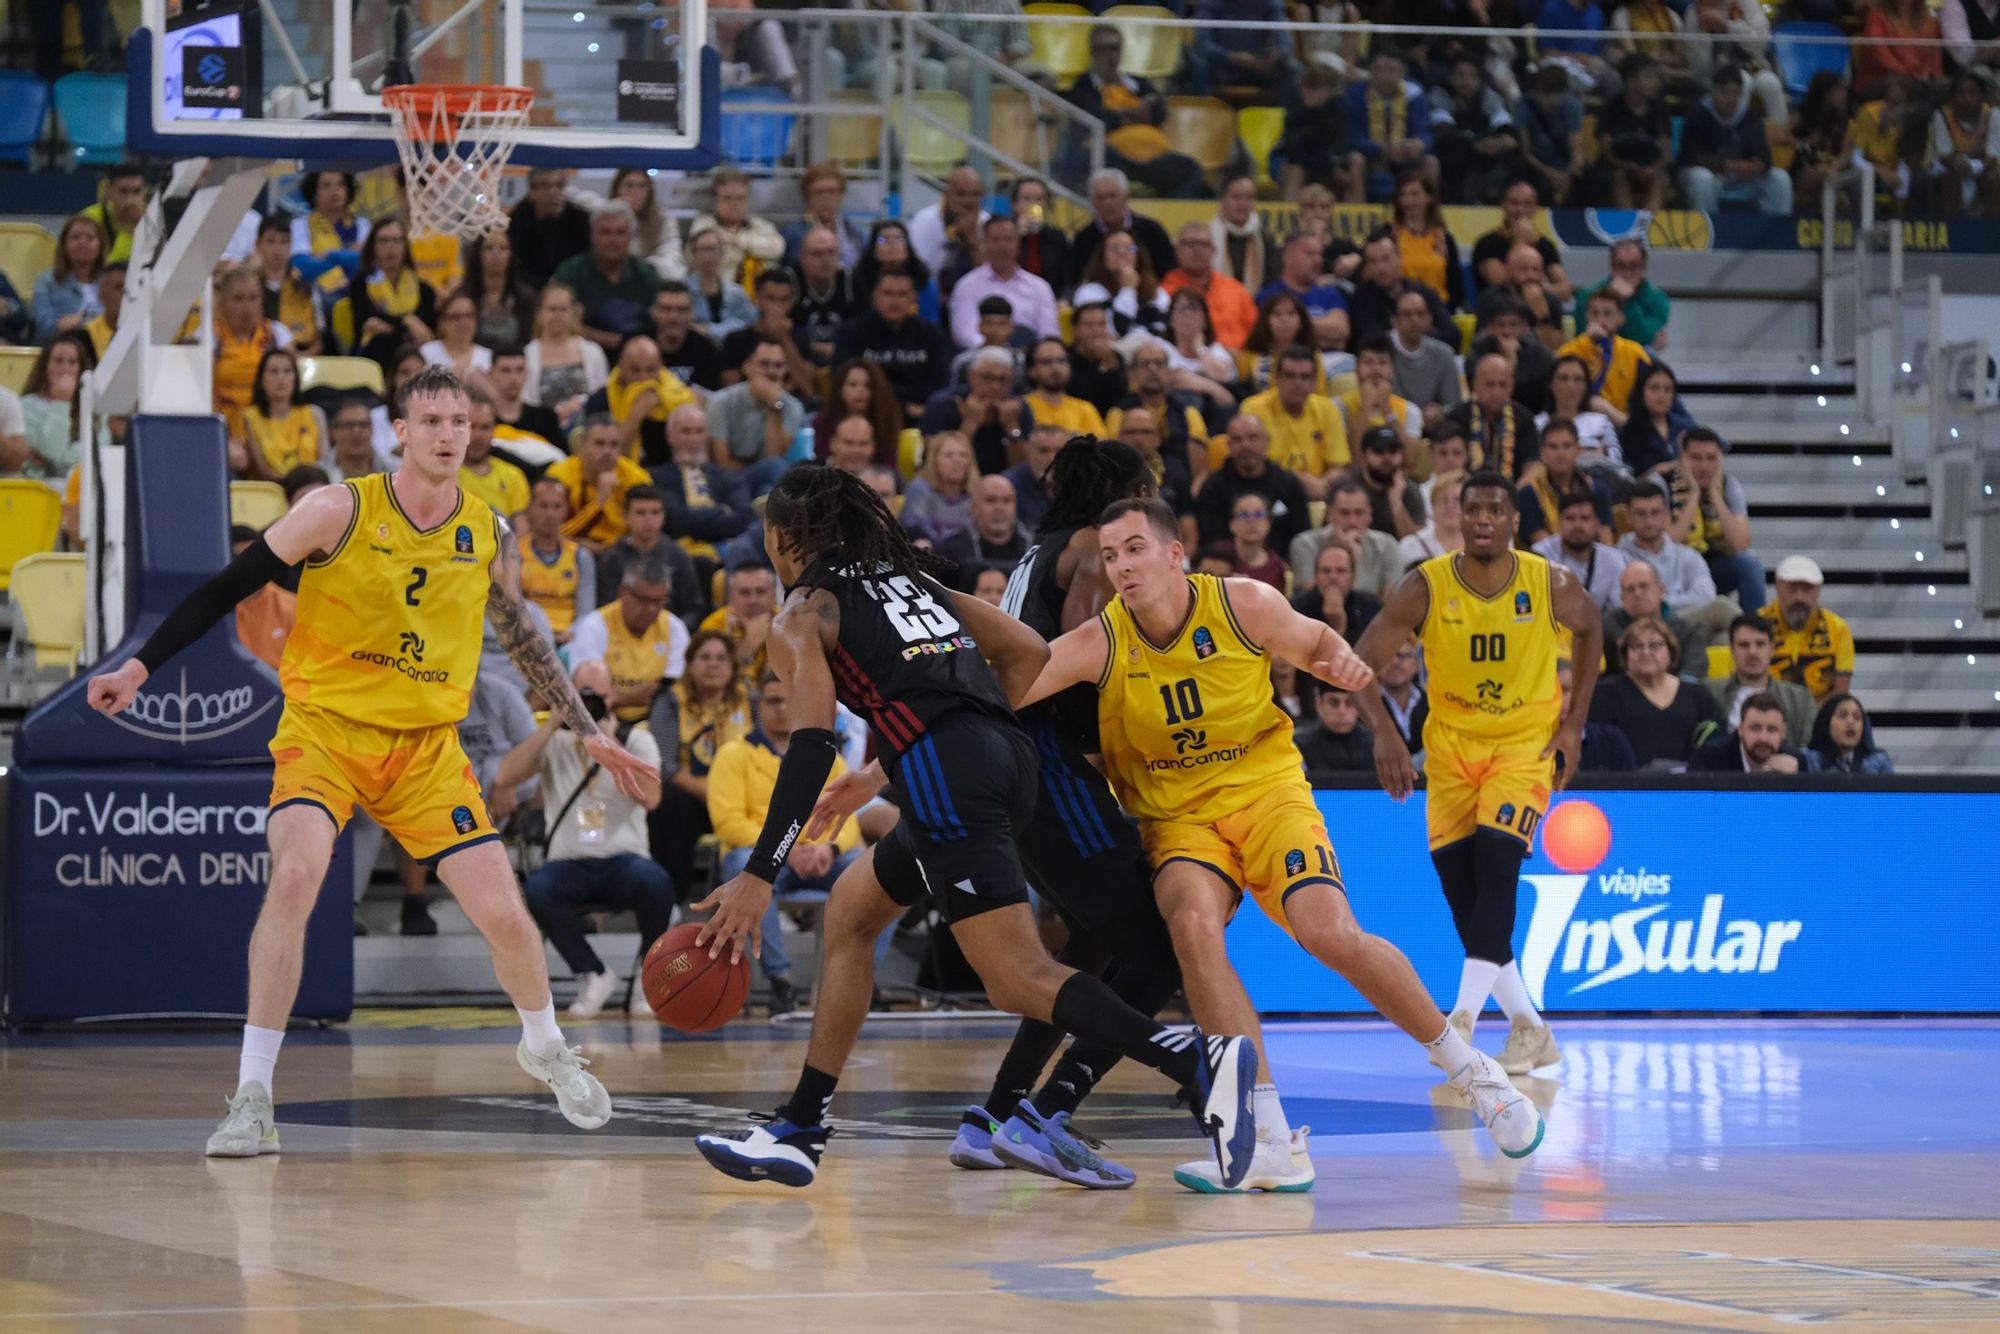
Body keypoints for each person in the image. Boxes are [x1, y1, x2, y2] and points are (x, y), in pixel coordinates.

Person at [87, 366, 655, 1153]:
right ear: (401, 431)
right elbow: (227, 587)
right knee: (295, 876)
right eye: (432, 421)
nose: (449, 434)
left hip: (424, 750)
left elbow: (522, 631)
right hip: (325, 732)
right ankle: (253, 1095)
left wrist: (585, 724)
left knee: (504, 916)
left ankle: (546, 1046)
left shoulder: (489, 531)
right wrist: (139, 667)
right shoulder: (336, 510)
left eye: (460, 421)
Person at [691, 465, 1262, 1192]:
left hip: (948, 778)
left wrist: (757, 875)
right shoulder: (910, 582)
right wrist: (962, 736)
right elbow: (1025, 650)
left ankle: (1196, 1061)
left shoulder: (802, 613)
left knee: (1017, 975)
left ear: (780, 538)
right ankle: (801, 1127)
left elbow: (809, 746)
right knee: (853, 914)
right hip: (1007, 762)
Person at [1021, 495, 1545, 1190]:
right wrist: (886, 763)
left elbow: (1317, 642)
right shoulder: (1100, 639)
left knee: (1330, 934)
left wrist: (1342, 665)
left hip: (1269, 794)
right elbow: (1001, 695)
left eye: (1135, 549)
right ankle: (1268, 1137)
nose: (1121, 567)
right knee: (1190, 925)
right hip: (1179, 820)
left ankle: (1471, 1072)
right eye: (1111, 555)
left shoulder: (1243, 603)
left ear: (1175, 554)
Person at [1353, 471, 1603, 1075]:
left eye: (1497, 508)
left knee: (1498, 870)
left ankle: (1457, 1023)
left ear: (1515, 520)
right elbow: (1356, 662)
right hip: (1449, 755)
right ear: (1458, 520)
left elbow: (1593, 627)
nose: (1485, 518)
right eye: (1474, 510)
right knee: (1467, 902)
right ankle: (1530, 1029)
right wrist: (1386, 731)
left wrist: (1573, 724)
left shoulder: (1549, 582)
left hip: (1523, 749)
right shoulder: (1425, 586)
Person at [710, 671, 873, 1018]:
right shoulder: (732, 754)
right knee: (742, 863)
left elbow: (849, 818)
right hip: (766, 858)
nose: (783, 708)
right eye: (773, 701)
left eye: (789, 700)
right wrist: (785, 851)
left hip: (818, 857)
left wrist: (829, 849)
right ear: (759, 706)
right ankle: (780, 981)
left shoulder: (827, 755)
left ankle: (855, 980)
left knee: (876, 869)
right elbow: (728, 823)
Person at [503, 690, 672, 1019]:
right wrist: (553, 722)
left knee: (658, 884)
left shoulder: (637, 741)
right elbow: (504, 776)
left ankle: (645, 976)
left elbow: (651, 798)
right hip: (568, 863)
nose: (587, 709)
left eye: (595, 700)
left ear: (613, 700)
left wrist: (609, 745)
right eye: (579, 699)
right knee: (537, 889)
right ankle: (593, 973)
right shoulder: (555, 742)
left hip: (625, 859)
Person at [1063, 25, 1210, 200]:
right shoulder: (1083, 86)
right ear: (1092, 52)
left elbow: (1158, 112)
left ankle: (1168, 212)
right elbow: (1093, 120)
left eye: (1114, 47)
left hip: (1154, 158)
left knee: (1190, 168)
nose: (1109, 54)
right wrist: (1133, 113)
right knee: (1091, 156)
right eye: (1101, 48)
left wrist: (1120, 115)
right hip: (1115, 158)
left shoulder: (1138, 82)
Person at [1589, 616, 1725, 766]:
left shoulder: (1698, 695)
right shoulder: (1606, 694)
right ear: (1625, 655)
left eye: (1654, 645)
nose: (1646, 652)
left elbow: (1718, 741)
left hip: (1688, 784)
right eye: (1636, 646)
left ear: (1670, 652)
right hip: (1627, 785)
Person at [570, 556, 690, 724]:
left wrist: (616, 695)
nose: (651, 609)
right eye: (643, 600)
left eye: (658, 601)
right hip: (605, 719)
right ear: (622, 592)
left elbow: (672, 689)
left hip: (656, 720)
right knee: (593, 672)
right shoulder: (595, 625)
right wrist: (625, 698)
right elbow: (589, 698)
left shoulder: (674, 628)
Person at [1618, 480, 1734, 644]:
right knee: (1722, 608)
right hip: (1636, 627)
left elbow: (1706, 595)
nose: (1649, 520)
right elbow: (1620, 603)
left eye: (1655, 513)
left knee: (1723, 639)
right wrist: (1675, 601)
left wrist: (1658, 602)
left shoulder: (1688, 556)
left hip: (1684, 625)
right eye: (1641, 514)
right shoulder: (1616, 558)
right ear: (1628, 516)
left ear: (1666, 515)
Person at [834, 270, 953, 423]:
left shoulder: (932, 335)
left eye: (902, 294)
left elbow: (939, 385)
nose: (894, 301)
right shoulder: (852, 332)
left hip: (920, 418)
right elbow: (842, 380)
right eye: (888, 293)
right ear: (874, 297)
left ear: (913, 298)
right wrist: (903, 405)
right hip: (865, 415)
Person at [1677, 64, 1794, 216]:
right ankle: (1708, 233)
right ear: (1713, 92)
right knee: (1702, 178)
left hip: (1741, 178)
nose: (1730, 99)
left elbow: (1765, 156)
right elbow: (1690, 156)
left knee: (1779, 178)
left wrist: (1758, 166)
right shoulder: (1697, 114)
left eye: (1736, 93)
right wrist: (1728, 165)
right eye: (1724, 93)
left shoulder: (1750, 117)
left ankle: (1774, 236)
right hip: (1708, 174)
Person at [552, 203, 665, 353]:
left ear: (630, 237)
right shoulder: (570, 272)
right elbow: (562, 323)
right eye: (605, 232)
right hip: (582, 354)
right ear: (592, 235)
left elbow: (662, 319)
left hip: (640, 355)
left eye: (620, 233)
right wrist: (614, 341)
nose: (613, 239)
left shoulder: (647, 274)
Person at [1197, 414, 1313, 555]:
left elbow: (1302, 536)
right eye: (1237, 440)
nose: (1245, 445)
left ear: (1266, 441)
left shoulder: (1288, 483)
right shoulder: (1213, 488)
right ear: (1229, 445)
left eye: (1253, 437)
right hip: (1230, 568)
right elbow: (1210, 541)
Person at [1242, 347, 1349, 497]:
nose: (1297, 383)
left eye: (1305, 377)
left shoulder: (1328, 409)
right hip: (1269, 493)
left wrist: (1322, 485)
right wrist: (1300, 481)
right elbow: (1255, 462)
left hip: (1320, 494)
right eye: (1290, 376)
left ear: (1314, 382)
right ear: (1277, 379)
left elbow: (1339, 466)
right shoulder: (1253, 409)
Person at [705, 336, 805, 499]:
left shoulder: (792, 407)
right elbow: (721, 462)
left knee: (766, 488)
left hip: (762, 476)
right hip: (722, 479)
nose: (772, 372)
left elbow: (773, 456)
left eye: (778, 366)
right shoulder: (722, 401)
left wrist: (774, 407)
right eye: (764, 364)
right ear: (747, 368)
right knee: (773, 474)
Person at [1676, 427, 1764, 606]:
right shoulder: (1663, 481)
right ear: (1682, 458)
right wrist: (1694, 493)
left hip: (1715, 566)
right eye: (1696, 458)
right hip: (1676, 569)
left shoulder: (1728, 485)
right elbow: (1669, 542)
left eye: (1711, 458)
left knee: (1750, 565)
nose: (1704, 466)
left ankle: (1754, 630)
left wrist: (1715, 495)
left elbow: (1740, 544)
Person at [583, 334, 696, 469]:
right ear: (621, 368)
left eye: (651, 370)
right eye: (635, 370)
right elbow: (605, 460)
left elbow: (691, 453)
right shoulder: (601, 400)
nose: (644, 378)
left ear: (661, 368)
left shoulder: (678, 397)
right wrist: (634, 417)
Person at [545, 414, 654, 553]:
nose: (607, 452)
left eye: (614, 445)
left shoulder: (636, 477)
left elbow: (646, 530)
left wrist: (604, 549)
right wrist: (600, 501)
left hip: (621, 553)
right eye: (599, 444)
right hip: (571, 553)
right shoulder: (560, 476)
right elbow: (550, 535)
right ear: (583, 445)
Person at [947, 216, 1059, 353]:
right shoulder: (966, 286)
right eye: (995, 240)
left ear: (1018, 244)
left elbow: (1049, 332)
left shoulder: (1040, 287)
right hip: (981, 357)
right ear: (984, 244)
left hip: (1029, 357)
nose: (1002, 246)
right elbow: (964, 334)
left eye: (1008, 239)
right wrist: (997, 350)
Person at [1708, 614, 1818, 746]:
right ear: (1732, 650)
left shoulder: (1800, 699)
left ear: (1772, 649)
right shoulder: (1709, 693)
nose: (1752, 652)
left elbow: (1811, 752)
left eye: (1760, 644)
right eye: (1744, 645)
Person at [1343, 50, 1438, 201]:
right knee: (1355, 160)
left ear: (1402, 72)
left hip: (1404, 154)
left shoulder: (1414, 94)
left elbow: (1424, 132)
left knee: (1431, 162)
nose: (1384, 75)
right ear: (1370, 71)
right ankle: (1358, 209)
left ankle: (1430, 214)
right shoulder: (1355, 95)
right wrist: (1382, 149)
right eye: (1378, 69)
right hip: (1371, 156)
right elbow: (1350, 136)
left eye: (1391, 69)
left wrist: (1418, 144)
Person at [595, 483, 703, 617]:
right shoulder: (611, 559)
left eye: (655, 512)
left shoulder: (678, 556)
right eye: (640, 513)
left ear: (663, 517)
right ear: (625, 516)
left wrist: (674, 632)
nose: (649, 520)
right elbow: (606, 608)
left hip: (667, 633)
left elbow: (693, 610)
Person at [1758, 554, 1855, 702]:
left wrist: (1808, 718)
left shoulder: (1838, 628)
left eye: (1807, 589)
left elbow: (1841, 691)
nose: (1799, 597)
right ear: (1778, 587)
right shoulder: (1758, 624)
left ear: (1818, 590)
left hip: (1820, 716)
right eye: (1792, 589)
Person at [1430, 56, 1526, 205]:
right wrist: (1476, 143)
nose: (1466, 80)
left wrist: (1506, 139)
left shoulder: (1488, 96)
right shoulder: (1439, 95)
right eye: (1460, 74)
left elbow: (1504, 125)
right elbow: (1445, 133)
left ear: (1480, 79)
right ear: (1450, 77)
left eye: (1472, 75)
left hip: (1485, 153)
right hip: (1450, 156)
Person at [345, 218, 436, 371]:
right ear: (372, 246)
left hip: (415, 356)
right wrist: (407, 320)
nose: (390, 247)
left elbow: (426, 330)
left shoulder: (424, 289)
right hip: (373, 353)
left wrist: (391, 325)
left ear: (405, 246)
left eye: (396, 240)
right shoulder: (360, 284)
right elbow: (366, 320)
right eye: (383, 241)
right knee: (381, 340)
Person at [920, 347, 1028, 476]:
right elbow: (934, 465)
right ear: (971, 375)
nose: (995, 386)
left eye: (1003, 380)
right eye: (987, 377)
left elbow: (1023, 470)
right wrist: (970, 423)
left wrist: (1012, 427)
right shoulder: (943, 404)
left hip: (1003, 486)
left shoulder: (1018, 407)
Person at [1292, 475, 1404, 598]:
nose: (1352, 521)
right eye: (1344, 513)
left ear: (1369, 515)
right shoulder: (1305, 544)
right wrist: (1346, 553)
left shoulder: (1388, 545)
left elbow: (1392, 601)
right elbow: (1309, 598)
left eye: (1359, 513)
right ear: (1330, 514)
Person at [9, 331, 94, 484]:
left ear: (80, 368)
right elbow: (52, 450)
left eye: (72, 362)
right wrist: (61, 402)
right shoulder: (26, 406)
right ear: (45, 366)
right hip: (38, 487)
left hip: (80, 488)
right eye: (58, 361)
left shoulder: (92, 407)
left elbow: (95, 452)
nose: (65, 368)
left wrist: (53, 461)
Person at [1556, 289, 1652, 426]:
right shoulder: (1569, 351)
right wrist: (1597, 344)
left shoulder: (1635, 352)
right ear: (1587, 316)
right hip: (1577, 422)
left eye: (1607, 314)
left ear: (1621, 318)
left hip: (1621, 424)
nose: (1600, 320)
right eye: (1595, 313)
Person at [519, 477, 596, 643]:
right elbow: (512, 607)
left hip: (569, 639)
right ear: (530, 508)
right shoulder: (515, 554)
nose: (550, 514)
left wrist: (572, 633)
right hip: (527, 639)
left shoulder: (581, 556)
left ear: (566, 510)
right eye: (543, 506)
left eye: (557, 506)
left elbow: (586, 613)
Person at [1161, 221, 1258, 352]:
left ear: (1214, 251)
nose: (1197, 250)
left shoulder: (1236, 289)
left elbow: (1257, 333)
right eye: (1190, 244)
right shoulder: (1164, 292)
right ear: (1177, 250)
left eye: (1204, 244)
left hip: (1237, 364)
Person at [1276, 65, 1367, 202]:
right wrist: (1331, 165)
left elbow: (1343, 143)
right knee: (1295, 171)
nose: (1306, 92)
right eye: (1305, 88)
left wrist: (1336, 164)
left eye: (1313, 89)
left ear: (1330, 92)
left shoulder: (1339, 112)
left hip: (1326, 161)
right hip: (1298, 161)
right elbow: (1295, 152)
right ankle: (1290, 218)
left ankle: (1356, 214)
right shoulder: (1295, 114)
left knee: (1356, 160)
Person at [1347, 228, 1452, 347]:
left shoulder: (1422, 292)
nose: (1381, 268)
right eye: (1373, 261)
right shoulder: (1361, 299)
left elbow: (1452, 335)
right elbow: (1370, 342)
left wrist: (1424, 332)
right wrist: (1415, 331)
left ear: (1399, 258)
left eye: (1386, 259)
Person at [1604, 560, 1709, 678]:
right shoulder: (1609, 627)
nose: (1637, 593)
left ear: (1661, 590)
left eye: (1644, 586)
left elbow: (1694, 668)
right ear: (1622, 599)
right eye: (1630, 589)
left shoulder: (1688, 630)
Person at [718, 269, 816, 394]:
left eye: (784, 299)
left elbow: (807, 388)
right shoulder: (736, 340)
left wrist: (784, 339)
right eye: (770, 298)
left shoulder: (800, 338)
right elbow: (731, 390)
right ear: (757, 298)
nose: (777, 306)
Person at [524, 284, 609, 426]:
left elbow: (602, 397)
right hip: (543, 429)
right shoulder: (526, 355)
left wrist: (580, 404)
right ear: (539, 314)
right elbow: (525, 403)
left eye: (563, 309)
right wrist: (557, 413)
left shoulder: (593, 352)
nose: (558, 315)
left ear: (574, 313)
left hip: (587, 427)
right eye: (552, 309)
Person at [687, 167, 787, 288]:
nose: (734, 204)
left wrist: (737, 242)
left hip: (758, 297)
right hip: (715, 293)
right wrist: (754, 252)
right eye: (727, 198)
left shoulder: (762, 226)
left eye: (740, 198)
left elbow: (777, 249)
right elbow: (695, 258)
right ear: (715, 199)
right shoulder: (703, 225)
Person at [238, 347, 326, 485]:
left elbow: (323, 463)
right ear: (261, 380)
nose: (281, 378)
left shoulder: (314, 414)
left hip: (312, 489)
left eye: (287, 371)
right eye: (274, 371)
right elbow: (262, 470)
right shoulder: (250, 417)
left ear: (295, 378)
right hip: (273, 490)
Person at [1532, 487, 1628, 612]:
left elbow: (1619, 610)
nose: (1577, 525)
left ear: (1597, 524)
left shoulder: (1613, 559)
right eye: (1570, 518)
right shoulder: (1540, 555)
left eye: (1585, 518)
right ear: (1559, 522)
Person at [1519, 419, 1613, 545]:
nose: (1560, 454)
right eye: (1553, 447)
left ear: (1578, 450)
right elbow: (1541, 546)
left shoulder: (1596, 489)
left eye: (1567, 446)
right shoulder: (1530, 493)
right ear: (1542, 451)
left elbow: (1606, 541)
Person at [1447, 353, 1540, 480]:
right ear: (1475, 385)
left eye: (1502, 385)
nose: (1496, 392)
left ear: (1512, 386)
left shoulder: (1524, 418)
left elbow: (1533, 465)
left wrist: (1515, 494)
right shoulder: (1458, 416)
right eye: (1489, 384)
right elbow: (1450, 463)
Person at [1599, 54, 1671, 210]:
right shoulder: (1612, 106)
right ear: (1631, 81)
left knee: (1661, 179)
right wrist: (1626, 165)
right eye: (1649, 77)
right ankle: (1629, 227)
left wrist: (1653, 168)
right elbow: (1606, 149)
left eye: (1656, 77)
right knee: (1619, 177)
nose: (1655, 82)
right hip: (1619, 167)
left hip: (1651, 167)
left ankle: (1648, 226)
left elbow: (1665, 149)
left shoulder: (1659, 108)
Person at [1258, 233, 1352, 352]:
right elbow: (1273, 338)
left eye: (1320, 254)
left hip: (1331, 363)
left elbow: (1341, 331)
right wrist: (1324, 334)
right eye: (1310, 254)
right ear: (1288, 256)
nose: (1318, 260)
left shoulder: (1329, 293)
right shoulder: (1269, 295)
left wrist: (1293, 325)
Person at [937, 475, 1031, 593]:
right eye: (990, 500)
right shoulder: (950, 552)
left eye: (1007, 500)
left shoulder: (1036, 544)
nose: (999, 508)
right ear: (973, 507)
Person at [1387, 173, 1466, 311]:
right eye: (1403, 195)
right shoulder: (1388, 235)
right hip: (1399, 309)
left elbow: (1455, 286)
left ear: (1429, 198)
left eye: (1414, 194)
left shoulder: (1445, 239)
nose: (1408, 201)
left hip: (1440, 309)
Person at [1575, 238, 1670, 352]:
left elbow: (1643, 339)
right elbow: (1581, 335)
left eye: (1634, 266)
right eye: (1620, 266)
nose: (1627, 273)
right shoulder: (1587, 296)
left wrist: (1628, 302)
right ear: (1611, 265)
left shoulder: (1658, 300)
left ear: (1644, 265)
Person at [1073, 230, 1170, 342]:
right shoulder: (1089, 292)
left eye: (1129, 248)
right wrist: (1128, 290)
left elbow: (1162, 330)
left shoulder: (1156, 292)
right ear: (1102, 257)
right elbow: (1117, 330)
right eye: (1114, 248)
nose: (1122, 252)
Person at [1390, 290, 1464, 434]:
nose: (1414, 319)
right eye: (1407, 314)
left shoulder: (1444, 353)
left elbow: (1454, 404)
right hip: (1394, 428)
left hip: (1435, 431)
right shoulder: (1383, 353)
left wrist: (1439, 412)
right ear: (1395, 321)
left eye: (1420, 314)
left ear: (1430, 319)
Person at [1932, 69, 2000, 218]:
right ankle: (1955, 231)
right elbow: (1945, 155)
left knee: (1993, 178)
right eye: (1961, 93)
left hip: (1982, 167)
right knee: (1949, 179)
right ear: (1952, 98)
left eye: (1972, 93)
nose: (1966, 98)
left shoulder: (1992, 115)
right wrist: (1959, 165)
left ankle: (1992, 232)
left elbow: (1993, 157)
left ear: (1982, 97)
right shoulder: (1942, 116)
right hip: (1953, 168)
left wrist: (1973, 167)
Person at [1687, 692, 1811, 773]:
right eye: (1755, 728)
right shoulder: (1710, 759)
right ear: (1740, 729)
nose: (1763, 738)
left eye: (1772, 729)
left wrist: (1796, 780)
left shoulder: (1796, 763)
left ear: (1783, 732)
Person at [509, 168, 591, 288]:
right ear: (532, 193)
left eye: (559, 185)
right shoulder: (518, 223)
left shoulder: (580, 221)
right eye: (545, 186)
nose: (554, 191)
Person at [253, 215, 323, 354]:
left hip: (303, 355)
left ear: (291, 245)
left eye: (284, 242)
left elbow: (319, 337)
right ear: (258, 244)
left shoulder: (306, 284)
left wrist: (301, 357)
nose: (277, 249)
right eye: (270, 241)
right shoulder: (250, 286)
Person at [1516, 66, 1585, 205]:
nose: (1544, 99)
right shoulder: (1524, 106)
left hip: (1564, 164)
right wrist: (1549, 173)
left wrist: (1568, 175)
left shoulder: (1572, 106)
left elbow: (1576, 151)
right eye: (1541, 93)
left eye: (1550, 95)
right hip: (1537, 165)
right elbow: (1526, 152)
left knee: (1586, 181)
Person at [1291, 540, 1382, 646]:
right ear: (1315, 576)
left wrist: (1339, 623)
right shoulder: (1296, 608)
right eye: (1326, 571)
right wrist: (1336, 626)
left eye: (1341, 571)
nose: (1333, 577)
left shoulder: (1370, 606)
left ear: (1353, 577)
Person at [1539, 354, 1625, 465]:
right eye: (1563, 378)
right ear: (1551, 384)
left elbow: (1616, 461)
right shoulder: (1538, 424)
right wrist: (1591, 455)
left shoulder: (1601, 423)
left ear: (1586, 386)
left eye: (1578, 379)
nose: (1571, 385)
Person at [908, 164, 990, 280]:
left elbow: (989, 277)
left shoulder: (987, 223)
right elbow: (915, 275)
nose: (969, 201)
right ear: (947, 194)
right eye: (961, 194)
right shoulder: (924, 222)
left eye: (976, 194)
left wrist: (972, 238)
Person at [901, 431, 980, 547]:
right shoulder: (919, 489)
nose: (957, 460)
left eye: (963, 455)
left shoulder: (977, 493)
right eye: (949, 455)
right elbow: (916, 529)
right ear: (934, 460)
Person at [459, 230, 536, 349]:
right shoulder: (463, 297)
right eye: (489, 248)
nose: (496, 254)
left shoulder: (525, 297)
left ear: (511, 255)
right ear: (478, 254)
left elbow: (529, 339)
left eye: (503, 248)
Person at [784, 162, 867, 269]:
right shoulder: (791, 237)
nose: (826, 199)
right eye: (819, 192)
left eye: (831, 192)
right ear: (807, 196)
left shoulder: (855, 235)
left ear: (841, 194)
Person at [1023, 338, 1107, 441]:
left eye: (1061, 361)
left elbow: (1101, 448)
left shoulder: (1085, 409)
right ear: (1031, 370)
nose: (1055, 367)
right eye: (1046, 362)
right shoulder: (1023, 407)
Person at [1066, 303, 1133, 416]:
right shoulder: (1065, 357)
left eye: (1101, 324)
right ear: (1075, 329)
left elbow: (1122, 398)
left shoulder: (1114, 357)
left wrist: (1111, 364)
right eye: (1088, 325)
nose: (1095, 330)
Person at [420, 289, 494, 386]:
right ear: (442, 322)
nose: (463, 323)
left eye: (469, 315)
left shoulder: (488, 356)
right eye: (455, 317)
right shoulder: (426, 352)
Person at [1808, 693, 1895, 774]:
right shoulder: (1809, 760)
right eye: (1842, 715)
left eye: (1857, 717)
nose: (1851, 722)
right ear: (1826, 722)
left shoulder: (1878, 761)